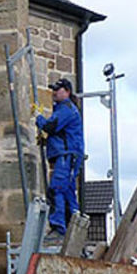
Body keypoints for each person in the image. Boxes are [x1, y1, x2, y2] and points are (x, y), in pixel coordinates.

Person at [36, 77, 85, 237]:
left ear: (67, 91)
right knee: (68, 193)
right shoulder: (63, 109)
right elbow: (58, 133)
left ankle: (58, 228)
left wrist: (39, 119)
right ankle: (75, 231)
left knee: (56, 189)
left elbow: (51, 126)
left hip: (67, 155)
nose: (54, 92)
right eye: (53, 89)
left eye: (58, 89)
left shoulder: (66, 109)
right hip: (67, 154)